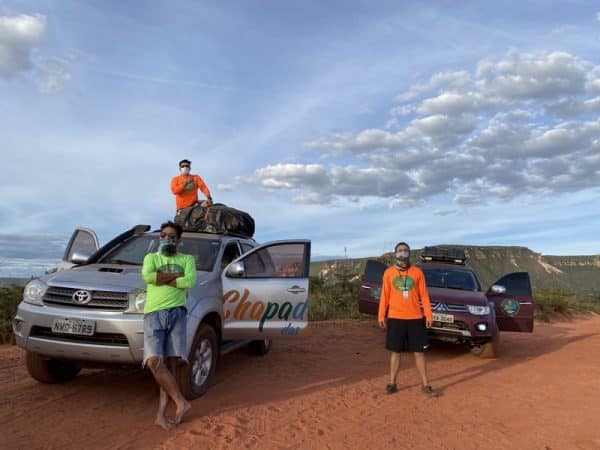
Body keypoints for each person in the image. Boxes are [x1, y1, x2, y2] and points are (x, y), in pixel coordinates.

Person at [141, 221, 196, 430]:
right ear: (159, 237)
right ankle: (181, 402)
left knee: (170, 366)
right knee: (155, 362)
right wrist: (176, 276)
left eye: (172, 236)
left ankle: (161, 416)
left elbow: (189, 281)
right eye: (163, 235)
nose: (167, 239)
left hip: (177, 312)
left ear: (179, 240)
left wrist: (160, 278)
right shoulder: (151, 258)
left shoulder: (187, 259)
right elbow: (147, 277)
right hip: (154, 313)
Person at [378, 242, 439, 397]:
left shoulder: (417, 272)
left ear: (409, 253)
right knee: (395, 352)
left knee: (419, 353)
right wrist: (381, 315)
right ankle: (392, 383)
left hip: (415, 318)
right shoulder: (389, 273)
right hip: (395, 317)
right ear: (395, 253)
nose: (402, 253)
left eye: (405, 250)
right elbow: (384, 296)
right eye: (400, 250)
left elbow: (424, 295)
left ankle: (425, 385)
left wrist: (429, 314)